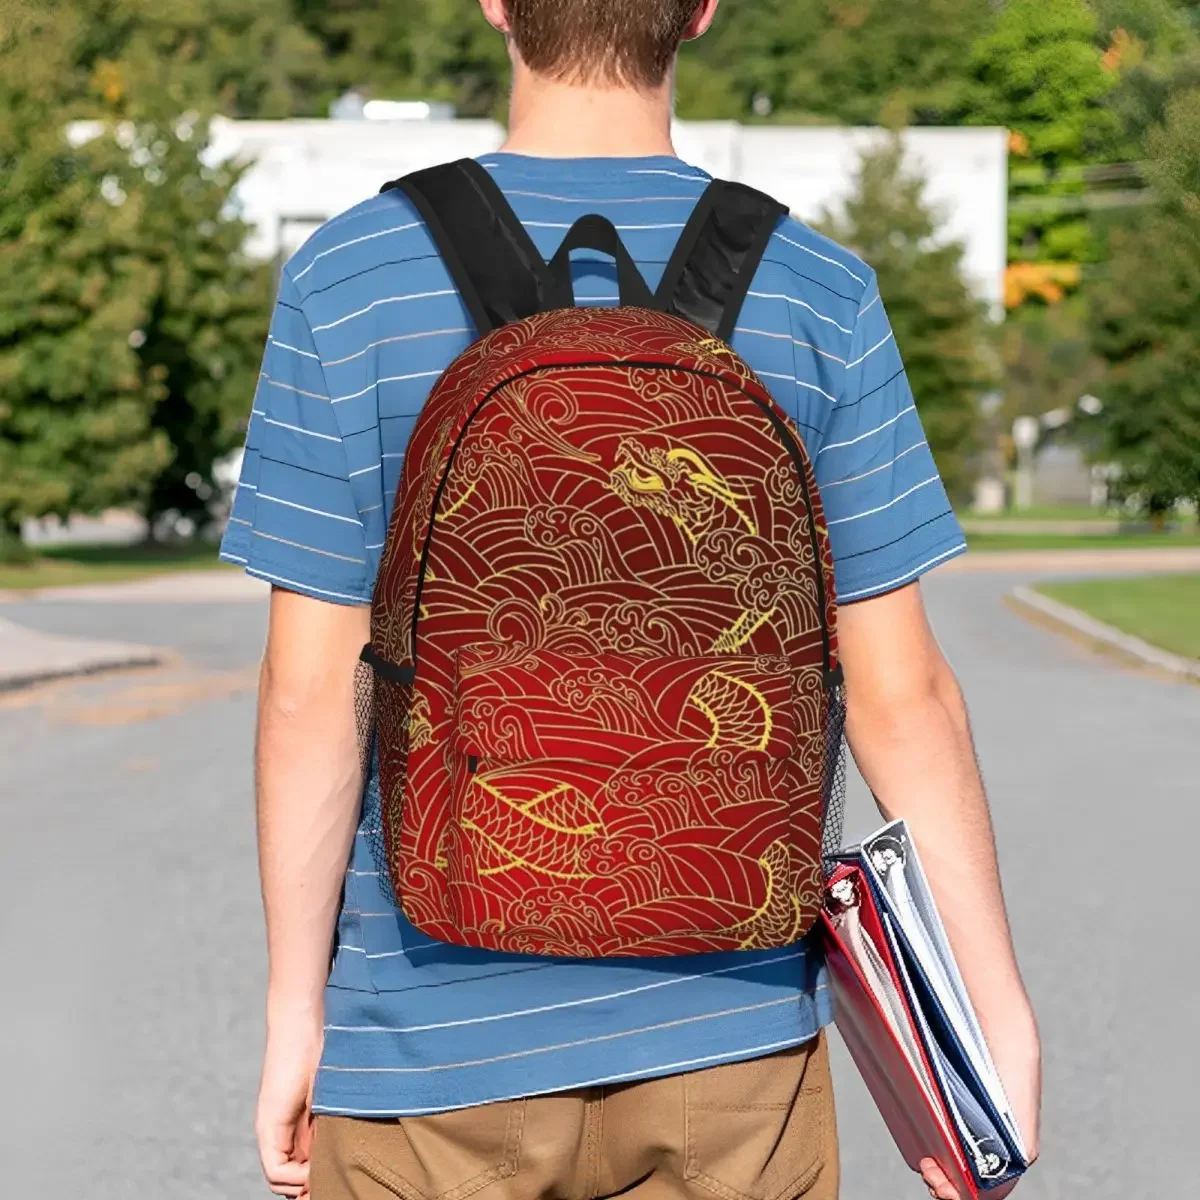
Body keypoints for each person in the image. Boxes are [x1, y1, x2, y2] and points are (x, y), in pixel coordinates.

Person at [220, 2, 1041, 1198]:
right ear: (701, 10)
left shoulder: (350, 279)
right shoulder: (819, 290)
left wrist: (299, 1011)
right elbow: (901, 693)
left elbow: (309, 691)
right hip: (733, 1041)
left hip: (427, 1046)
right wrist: (988, 1012)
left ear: (497, 3)